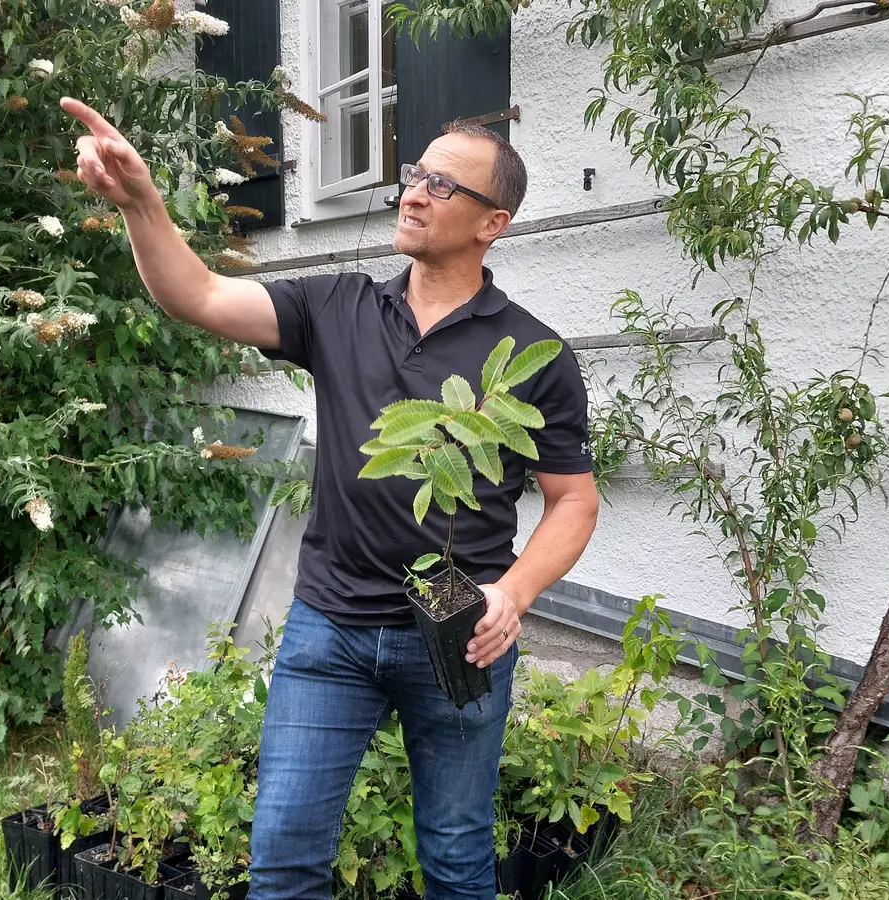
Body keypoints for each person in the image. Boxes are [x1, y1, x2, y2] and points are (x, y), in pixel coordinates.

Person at [59, 96, 600, 900]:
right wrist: (141, 203)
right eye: (415, 174)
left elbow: (573, 501)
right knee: (284, 858)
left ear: (494, 223)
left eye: (443, 185)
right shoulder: (338, 306)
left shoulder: (532, 354)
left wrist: (512, 594)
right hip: (330, 628)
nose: (413, 193)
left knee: (457, 859)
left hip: (459, 633)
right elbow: (198, 295)